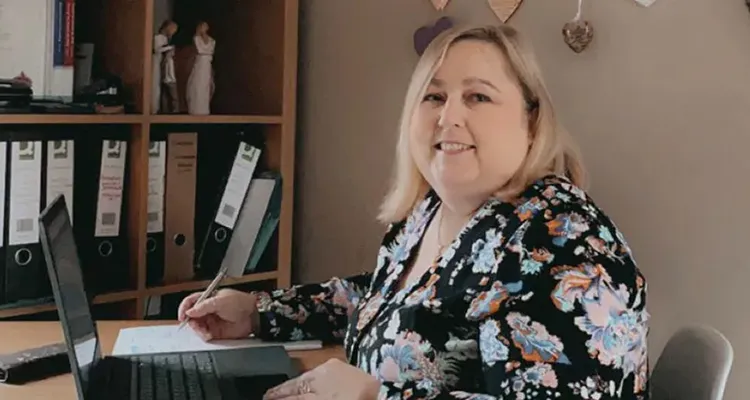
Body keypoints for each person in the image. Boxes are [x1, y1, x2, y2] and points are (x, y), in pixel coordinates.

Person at [178, 23, 650, 400]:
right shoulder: (431, 211)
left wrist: (373, 396)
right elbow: (388, 304)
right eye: (434, 96)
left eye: (478, 96)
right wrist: (260, 312)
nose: (448, 116)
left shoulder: (568, 243)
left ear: (531, 120)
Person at [186, 21, 216, 115]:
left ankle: (204, 109)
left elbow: (210, 49)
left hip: (207, 64)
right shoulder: (196, 38)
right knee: (197, 84)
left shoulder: (212, 40)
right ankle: (195, 109)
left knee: (206, 86)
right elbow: (200, 49)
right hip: (200, 63)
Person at [153, 20, 179, 114]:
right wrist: (169, 48)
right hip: (157, 64)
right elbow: (157, 49)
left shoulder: (165, 39)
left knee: (164, 90)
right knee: (157, 88)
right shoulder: (158, 38)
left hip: (164, 66)